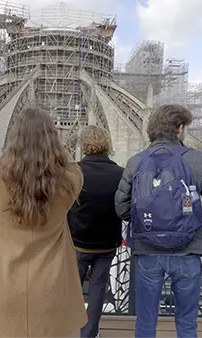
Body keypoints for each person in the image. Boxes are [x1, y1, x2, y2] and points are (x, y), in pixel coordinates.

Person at [114, 104, 202, 338]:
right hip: (187, 250)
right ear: (179, 128)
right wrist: (193, 221)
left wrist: (146, 224)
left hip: (148, 251)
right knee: (187, 323)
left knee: (146, 321)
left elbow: (121, 207)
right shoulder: (198, 159)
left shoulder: (136, 161)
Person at [0, 107, 87, 338]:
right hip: (53, 291)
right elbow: (73, 168)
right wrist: (55, 150)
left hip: (6, 290)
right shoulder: (67, 183)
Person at [67, 125, 124, 338]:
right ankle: (89, 333)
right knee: (99, 287)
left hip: (78, 240)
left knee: (72, 286)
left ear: (84, 145)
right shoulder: (120, 173)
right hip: (107, 241)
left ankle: (65, 329)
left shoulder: (74, 172)